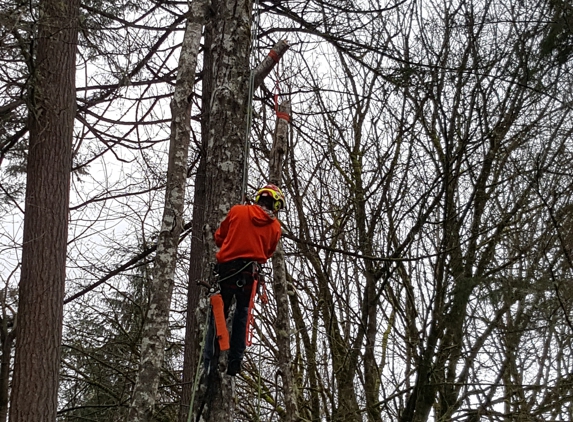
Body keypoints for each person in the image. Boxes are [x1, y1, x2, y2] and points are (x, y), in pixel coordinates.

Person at [204, 184, 285, 376]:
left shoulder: (237, 211)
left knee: (218, 312)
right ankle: (235, 361)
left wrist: (234, 242)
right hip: (250, 273)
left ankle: (209, 360)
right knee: (242, 314)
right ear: (274, 205)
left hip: (227, 270)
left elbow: (219, 237)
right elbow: (268, 252)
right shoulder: (275, 227)